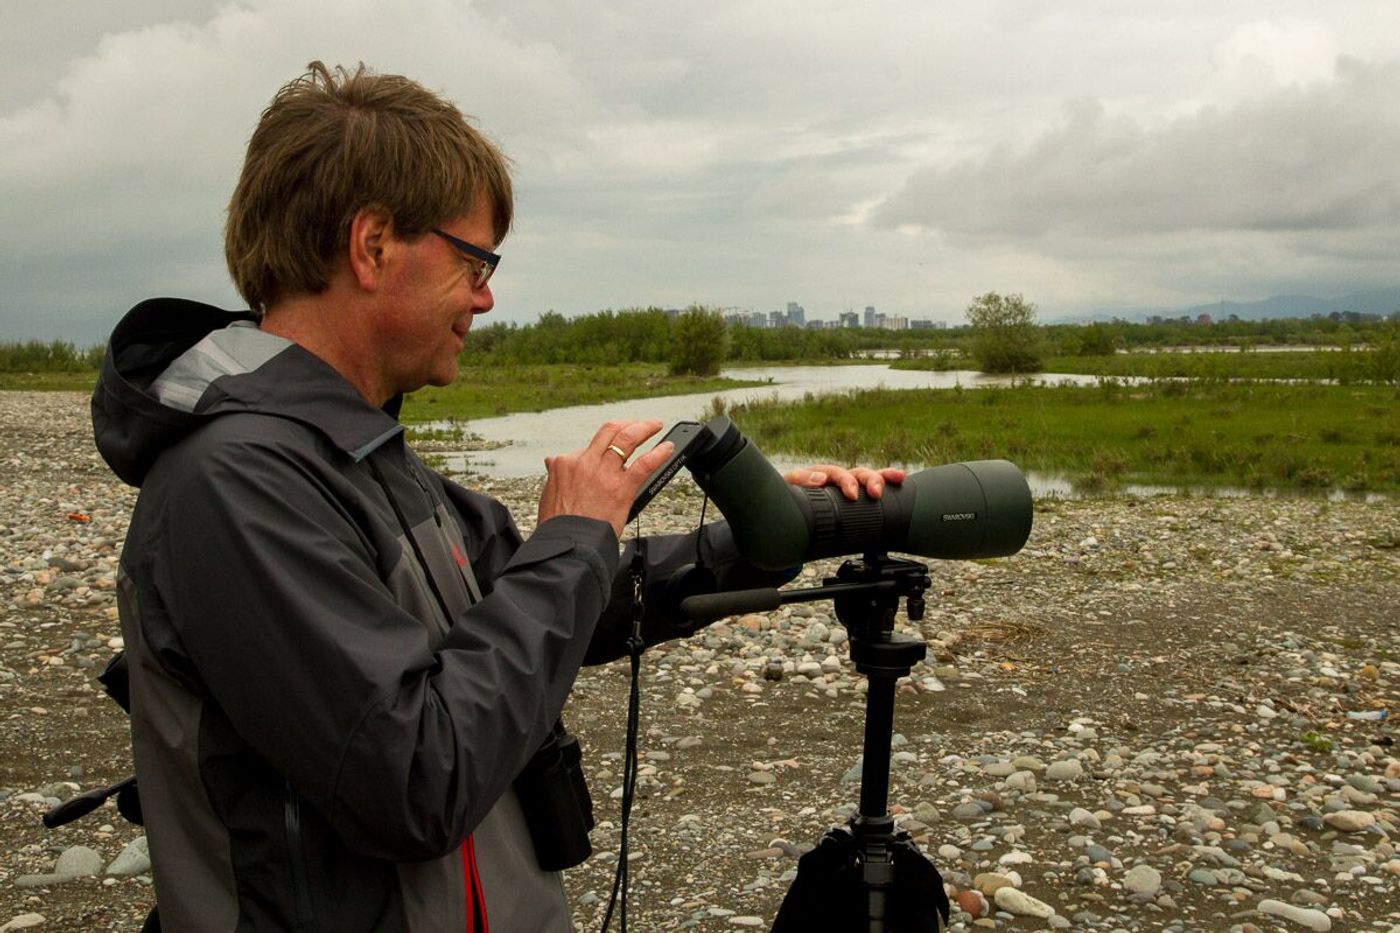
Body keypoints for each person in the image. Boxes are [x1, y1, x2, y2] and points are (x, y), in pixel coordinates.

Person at [92, 61, 902, 932]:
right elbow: (417, 778)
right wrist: (576, 532)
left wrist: (769, 529)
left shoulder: (356, 452)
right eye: (474, 259)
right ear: (371, 246)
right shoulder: (237, 484)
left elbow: (554, 602)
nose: (486, 295)